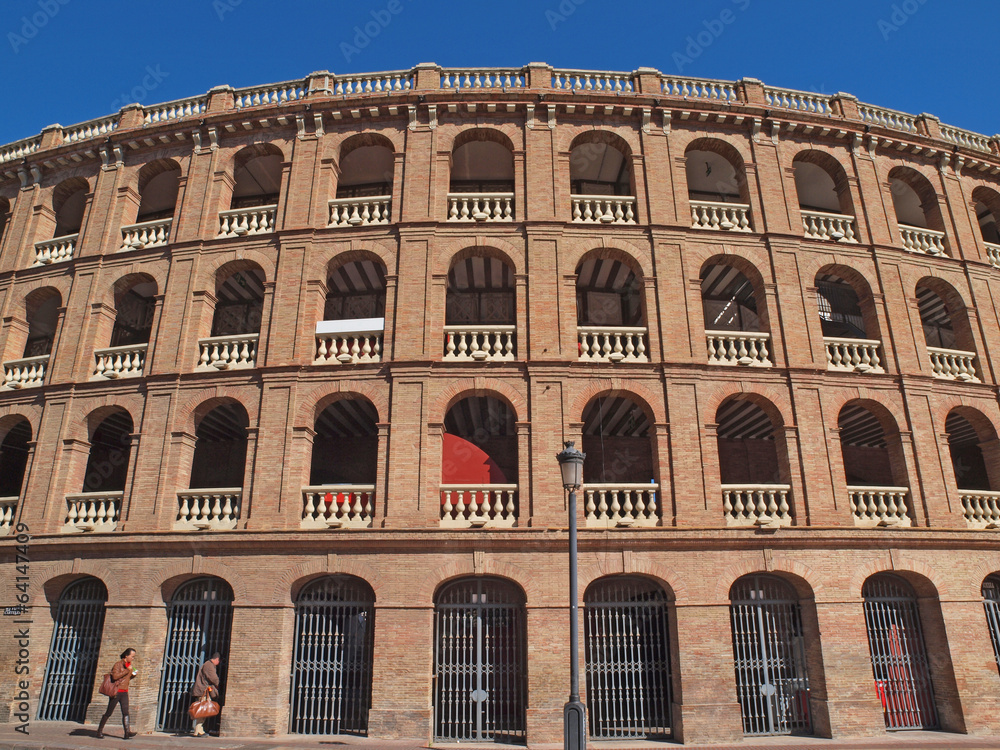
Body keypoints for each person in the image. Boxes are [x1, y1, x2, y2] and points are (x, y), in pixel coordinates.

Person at [97, 648, 139, 740]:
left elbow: (127, 678)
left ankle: (127, 732)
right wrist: (127, 671)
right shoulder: (117, 664)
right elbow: (115, 676)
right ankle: (99, 731)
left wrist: (134, 673)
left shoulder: (129, 665)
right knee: (109, 712)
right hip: (116, 692)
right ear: (126, 656)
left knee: (125, 712)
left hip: (124, 692)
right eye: (132, 656)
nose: (133, 658)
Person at [191, 652, 221, 737]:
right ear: (216, 659)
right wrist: (217, 682)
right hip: (203, 691)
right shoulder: (209, 666)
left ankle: (198, 730)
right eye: (218, 661)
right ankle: (198, 731)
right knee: (203, 710)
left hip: (202, 690)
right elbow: (213, 678)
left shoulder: (208, 665)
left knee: (203, 710)